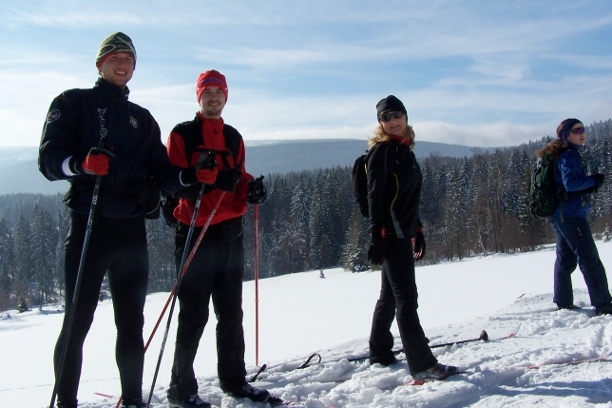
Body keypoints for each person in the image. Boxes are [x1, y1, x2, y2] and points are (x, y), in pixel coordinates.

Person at [39, 32, 206, 408]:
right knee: (77, 323)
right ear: (100, 64)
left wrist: (189, 180)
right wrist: (80, 165)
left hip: (130, 231)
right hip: (89, 224)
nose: (122, 63)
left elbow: (163, 171)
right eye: (114, 57)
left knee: (131, 324)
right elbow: (49, 159)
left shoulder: (142, 119)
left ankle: (133, 400)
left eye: (129, 58)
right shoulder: (72, 103)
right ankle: (66, 402)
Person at [163, 70, 269, 408]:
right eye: (207, 92)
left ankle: (234, 381)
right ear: (198, 97)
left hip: (229, 232)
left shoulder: (234, 137)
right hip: (195, 229)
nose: (213, 97)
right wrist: (199, 179)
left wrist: (249, 188)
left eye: (218, 92)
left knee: (231, 312)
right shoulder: (183, 134)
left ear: (226, 97)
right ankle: (181, 389)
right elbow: (172, 181)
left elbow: (238, 176)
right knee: (193, 314)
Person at [366, 95, 459, 381]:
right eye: (386, 117)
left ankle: (380, 351)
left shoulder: (405, 151)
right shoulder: (382, 152)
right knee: (407, 299)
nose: (393, 121)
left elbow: (407, 199)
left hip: (402, 232)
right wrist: (377, 235)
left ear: (406, 116)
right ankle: (421, 364)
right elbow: (375, 196)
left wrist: (417, 230)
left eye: (397, 115)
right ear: (380, 123)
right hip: (391, 235)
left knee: (389, 297)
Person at [536, 118, 611, 315]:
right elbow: (571, 184)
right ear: (566, 135)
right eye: (577, 130)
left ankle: (563, 301)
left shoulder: (561, 154)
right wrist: (593, 180)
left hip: (559, 215)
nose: (582, 133)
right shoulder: (569, 155)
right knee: (589, 258)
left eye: (583, 129)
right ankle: (604, 304)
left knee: (565, 259)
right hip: (570, 215)